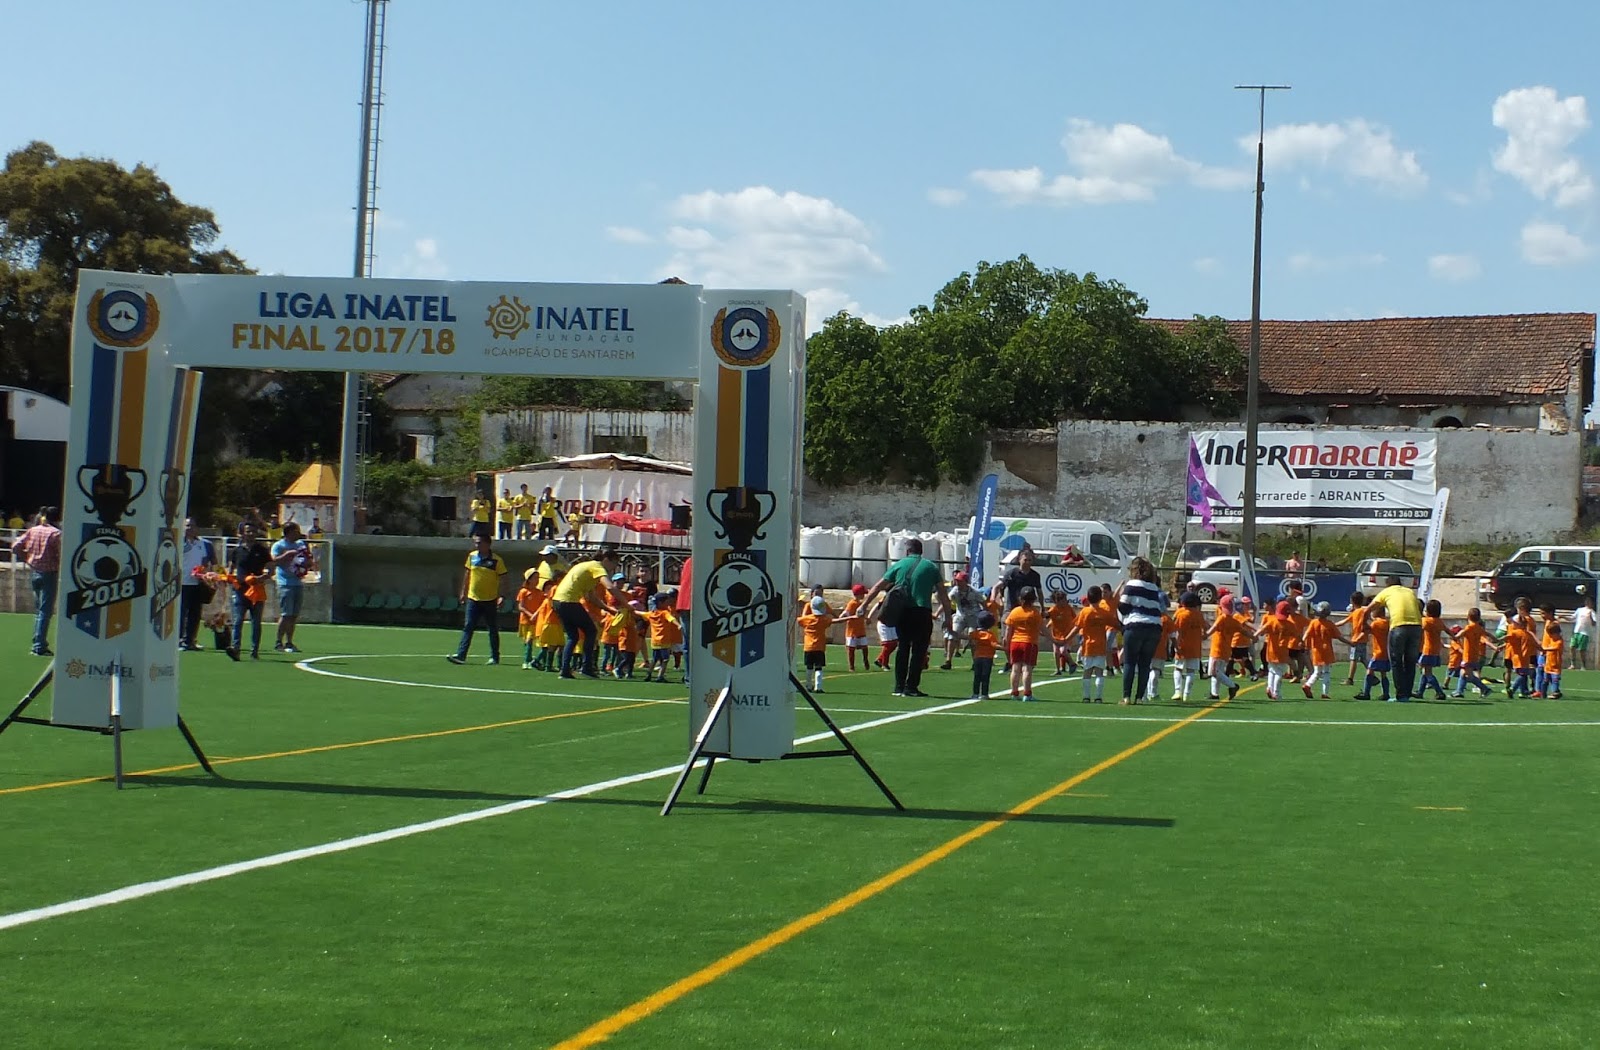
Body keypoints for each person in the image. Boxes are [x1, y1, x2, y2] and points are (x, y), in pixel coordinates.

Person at [860, 537, 953, 698]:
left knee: (903, 648)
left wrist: (864, 605)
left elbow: (878, 586)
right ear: (921, 551)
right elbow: (943, 595)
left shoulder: (899, 565)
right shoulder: (931, 567)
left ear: (908, 551)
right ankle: (911, 687)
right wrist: (948, 617)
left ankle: (899, 686)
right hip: (922, 611)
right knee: (919, 650)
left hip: (903, 611)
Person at [551, 545, 622, 678]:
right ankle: (586, 668)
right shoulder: (597, 567)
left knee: (573, 636)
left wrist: (608, 609)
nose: (613, 567)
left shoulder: (586, 566)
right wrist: (627, 605)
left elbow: (591, 597)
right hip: (569, 601)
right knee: (591, 631)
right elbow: (610, 587)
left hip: (557, 602)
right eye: (614, 563)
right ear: (606, 559)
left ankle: (565, 670)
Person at [447, 533, 508, 665]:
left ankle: (494, 657)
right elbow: (467, 575)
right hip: (473, 598)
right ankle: (461, 655)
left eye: (479, 543)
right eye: (475, 543)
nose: (476, 545)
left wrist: (502, 596)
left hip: (490, 599)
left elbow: (503, 579)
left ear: (487, 544)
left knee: (492, 628)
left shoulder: (496, 560)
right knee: (468, 626)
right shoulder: (472, 556)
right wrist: (463, 592)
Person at [1113, 556, 1166, 705]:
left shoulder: (1131, 584)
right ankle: (1140, 697)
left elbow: (1123, 607)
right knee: (1145, 663)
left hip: (1135, 625)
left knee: (1130, 662)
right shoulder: (1154, 587)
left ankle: (1126, 697)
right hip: (1154, 627)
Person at [11, 505, 61, 657]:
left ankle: (37, 642)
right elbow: (61, 553)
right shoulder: (56, 534)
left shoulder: (33, 530)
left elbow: (15, 546)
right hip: (49, 573)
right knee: (45, 611)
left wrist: (27, 558)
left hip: (35, 571)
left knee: (39, 610)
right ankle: (39, 645)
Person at [226, 520, 272, 661]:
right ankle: (235, 649)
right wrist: (229, 578)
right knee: (237, 620)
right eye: (248, 531)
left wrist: (263, 577)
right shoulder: (237, 551)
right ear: (243, 534)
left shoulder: (262, 550)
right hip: (240, 590)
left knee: (256, 622)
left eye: (253, 531)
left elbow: (271, 568)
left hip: (256, 590)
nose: (250, 534)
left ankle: (254, 651)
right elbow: (231, 568)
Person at [1371, 575, 1423, 699]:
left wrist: (1363, 623)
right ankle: (1407, 693)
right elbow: (1419, 606)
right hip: (1416, 626)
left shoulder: (1387, 591)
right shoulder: (1410, 591)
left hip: (1399, 625)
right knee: (1410, 662)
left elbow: (1369, 609)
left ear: (1388, 584)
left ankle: (1400, 694)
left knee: (1396, 661)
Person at [269, 521, 316, 654]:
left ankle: (289, 641)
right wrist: (286, 555)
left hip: (297, 583)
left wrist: (307, 563)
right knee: (286, 614)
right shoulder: (279, 545)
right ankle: (278, 642)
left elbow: (308, 561)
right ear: (288, 532)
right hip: (285, 583)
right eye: (295, 531)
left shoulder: (300, 544)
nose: (298, 534)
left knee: (294, 615)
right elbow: (273, 560)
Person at [179, 518, 218, 651]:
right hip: (181, 583)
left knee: (195, 614)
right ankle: (179, 640)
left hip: (198, 584)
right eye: (187, 525)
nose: (190, 528)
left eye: (192, 525)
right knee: (181, 613)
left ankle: (190, 640)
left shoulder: (205, 544)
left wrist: (219, 577)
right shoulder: (177, 542)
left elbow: (214, 563)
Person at [1001, 586, 1043, 701]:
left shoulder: (1015, 611)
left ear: (1020, 598)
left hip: (1015, 642)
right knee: (1026, 669)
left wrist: (1006, 641)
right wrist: (1054, 640)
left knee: (1015, 668)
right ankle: (1027, 694)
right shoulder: (1034, 613)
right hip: (1029, 643)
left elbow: (1008, 629)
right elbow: (1043, 629)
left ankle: (1014, 693)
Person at [942, 571, 985, 670]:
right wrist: (938, 613)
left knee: (973, 637)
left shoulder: (974, 592)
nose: (957, 583)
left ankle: (975, 663)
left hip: (973, 616)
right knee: (952, 635)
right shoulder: (955, 590)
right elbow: (947, 602)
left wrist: (984, 619)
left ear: (965, 581)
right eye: (956, 580)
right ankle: (948, 661)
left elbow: (984, 604)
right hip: (960, 615)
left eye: (959, 581)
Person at [797, 595, 835, 692]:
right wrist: (851, 617)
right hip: (820, 647)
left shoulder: (807, 619)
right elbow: (835, 620)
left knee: (809, 667)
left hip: (808, 647)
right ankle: (818, 687)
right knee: (819, 667)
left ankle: (808, 685)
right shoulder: (823, 620)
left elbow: (798, 620)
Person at [1357, 603, 1392, 701]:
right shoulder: (1388, 623)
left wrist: (1364, 618)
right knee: (1383, 673)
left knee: (1369, 671)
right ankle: (1386, 693)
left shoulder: (1375, 624)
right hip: (1386, 652)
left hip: (1377, 652)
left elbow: (1366, 630)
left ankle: (1366, 693)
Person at [968, 611, 999, 700]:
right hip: (988, 658)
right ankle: (984, 694)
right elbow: (994, 645)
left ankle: (975, 693)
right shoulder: (990, 635)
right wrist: (1005, 648)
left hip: (977, 657)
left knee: (977, 676)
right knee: (985, 676)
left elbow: (968, 638)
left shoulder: (975, 633)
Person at [842, 583, 870, 670]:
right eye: (862, 594)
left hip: (861, 629)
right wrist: (842, 616)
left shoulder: (861, 604)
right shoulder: (852, 604)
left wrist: (866, 619)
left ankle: (866, 662)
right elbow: (847, 613)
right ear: (858, 594)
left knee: (864, 647)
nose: (864, 595)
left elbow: (861, 614)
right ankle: (851, 666)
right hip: (852, 631)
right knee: (851, 649)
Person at [1571, 596, 1595, 670]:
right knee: (1572, 647)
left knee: (1582, 650)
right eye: (1587, 601)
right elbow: (1572, 618)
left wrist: (1590, 617)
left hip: (1584, 633)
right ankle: (1572, 664)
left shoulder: (1592, 612)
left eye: (1589, 601)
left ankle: (1583, 665)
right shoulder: (1579, 610)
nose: (1588, 602)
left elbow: (1594, 623)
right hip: (1576, 632)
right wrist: (1563, 617)